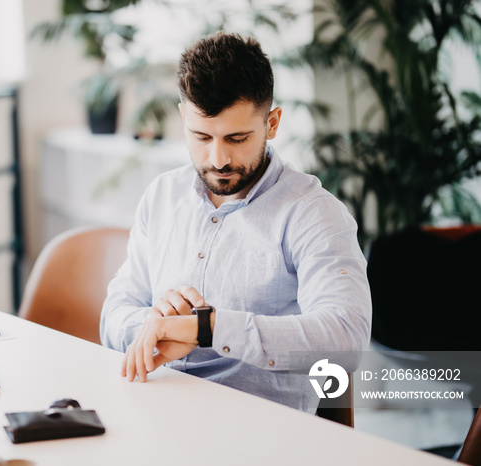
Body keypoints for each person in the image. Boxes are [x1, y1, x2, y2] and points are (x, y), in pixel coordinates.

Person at [99, 31, 372, 412]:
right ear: (182, 118)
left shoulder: (314, 214)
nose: (219, 159)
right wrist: (156, 324)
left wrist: (207, 330)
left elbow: (346, 340)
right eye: (201, 136)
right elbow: (114, 314)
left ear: (272, 123)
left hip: (258, 431)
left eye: (237, 138)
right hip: (155, 409)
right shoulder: (162, 195)